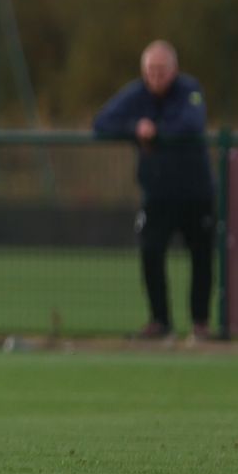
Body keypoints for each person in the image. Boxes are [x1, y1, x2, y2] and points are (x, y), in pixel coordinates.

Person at [92, 40, 215, 341]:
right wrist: (136, 127)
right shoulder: (136, 94)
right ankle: (160, 322)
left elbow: (192, 123)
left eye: (161, 70)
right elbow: (102, 122)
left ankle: (200, 323)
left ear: (174, 69)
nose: (156, 76)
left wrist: (155, 131)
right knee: (150, 252)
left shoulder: (190, 91)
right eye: (151, 70)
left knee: (201, 257)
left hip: (195, 193)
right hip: (157, 194)